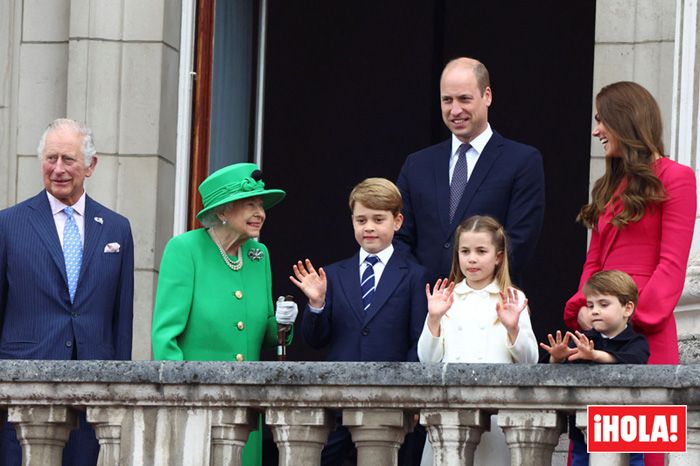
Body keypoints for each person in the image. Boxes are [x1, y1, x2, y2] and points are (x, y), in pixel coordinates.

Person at [564, 81, 696, 466]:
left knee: (642, 457)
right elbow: (594, 262)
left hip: (646, 340)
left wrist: (630, 319)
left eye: (602, 120)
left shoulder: (677, 177)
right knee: (595, 453)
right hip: (603, 333)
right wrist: (583, 309)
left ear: (626, 120)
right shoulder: (607, 186)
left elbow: (672, 265)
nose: (596, 131)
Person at [0, 118, 135, 466]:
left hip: (93, 392)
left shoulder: (117, 228)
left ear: (90, 165)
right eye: (50, 158)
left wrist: (118, 390)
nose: (58, 169)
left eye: (68, 159)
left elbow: (121, 319)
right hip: (23, 391)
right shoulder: (8, 225)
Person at [151, 162, 297, 466]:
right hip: (197, 406)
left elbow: (268, 334)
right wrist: (183, 398)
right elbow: (165, 337)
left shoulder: (259, 255)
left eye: (261, 205)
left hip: (247, 408)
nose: (261, 213)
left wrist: (285, 320)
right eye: (250, 204)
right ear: (222, 212)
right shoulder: (185, 249)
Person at [290, 177, 428, 466]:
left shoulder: (414, 275)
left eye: (379, 219)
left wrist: (412, 397)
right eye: (361, 219)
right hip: (338, 401)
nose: (369, 227)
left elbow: (418, 342)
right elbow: (316, 340)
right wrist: (316, 304)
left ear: (397, 221)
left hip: (390, 401)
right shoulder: (334, 274)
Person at [395, 57, 545, 284]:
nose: (455, 110)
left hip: (489, 306)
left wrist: (470, 290)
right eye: (447, 100)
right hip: (425, 302)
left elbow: (519, 241)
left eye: (464, 99)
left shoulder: (522, 161)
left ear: (487, 96)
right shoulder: (417, 164)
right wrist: (421, 284)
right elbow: (399, 235)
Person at [418, 215, 538, 466]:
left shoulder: (512, 297)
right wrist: (434, 319)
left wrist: (513, 328)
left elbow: (530, 361)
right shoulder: (447, 297)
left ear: (498, 256)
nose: (471, 258)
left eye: (481, 251)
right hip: (450, 411)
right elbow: (427, 360)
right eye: (465, 251)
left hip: (495, 414)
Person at [543, 270, 649, 466]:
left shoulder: (637, 341)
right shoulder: (584, 340)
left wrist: (595, 355)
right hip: (583, 430)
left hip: (628, 429)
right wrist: (556, 358)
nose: (594, 311)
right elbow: (552, 371)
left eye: (603, 304)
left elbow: (634, 360)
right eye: (590, 305)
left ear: (627, 308)